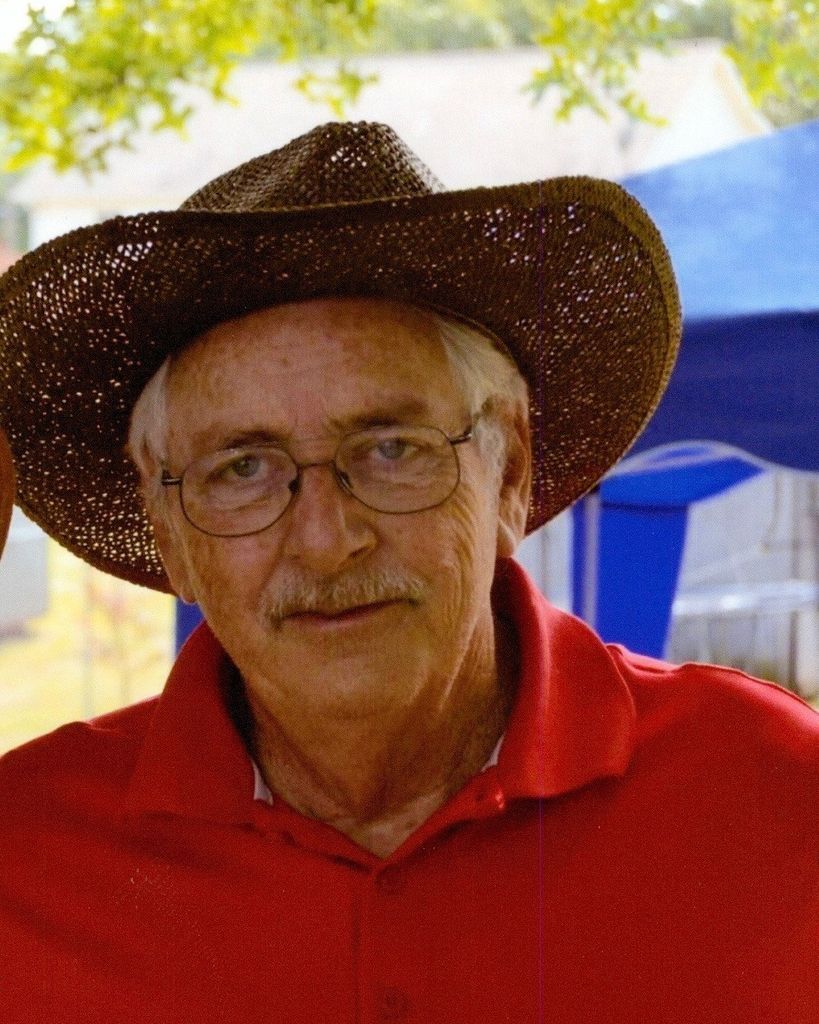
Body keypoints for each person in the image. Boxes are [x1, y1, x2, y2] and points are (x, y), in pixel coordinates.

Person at [0, 122, 815, 1024]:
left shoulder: (775, 796)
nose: (325, 540)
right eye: (242, 468)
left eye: (391, 448)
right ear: (169, 534)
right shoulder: (23, 860)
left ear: (508, 473)